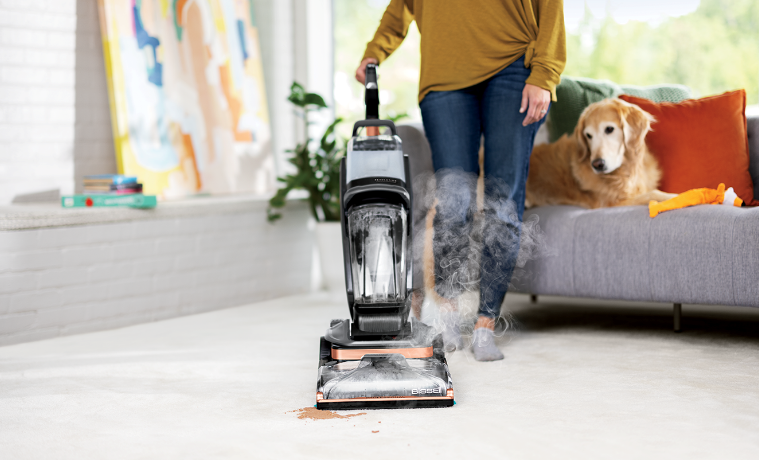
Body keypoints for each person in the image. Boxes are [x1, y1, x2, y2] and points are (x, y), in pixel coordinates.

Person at [356, 0, 566, 361]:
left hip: (513, 65)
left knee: (504, 200)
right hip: (444, 77)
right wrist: (374, 51)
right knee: (454, 203)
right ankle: (448, 316)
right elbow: (400, 8)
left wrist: (544, 73)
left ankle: (486, 325)